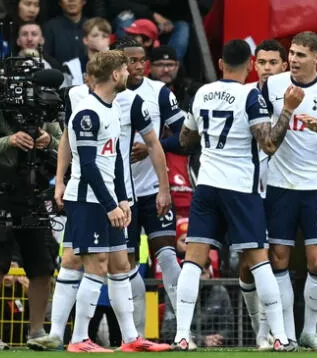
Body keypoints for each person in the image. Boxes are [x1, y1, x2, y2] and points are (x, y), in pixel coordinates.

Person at [172, 39, 297, 352]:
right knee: (258, 260)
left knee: (192, 261)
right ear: (252, 65)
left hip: (207, 186)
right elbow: (268, 144)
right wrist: (288, 112)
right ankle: (280, 337)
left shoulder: (201, 93)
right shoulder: (250, 96)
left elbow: (186, 140)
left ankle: (182, 335)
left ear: (220, 64)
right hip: (240, 189)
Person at [61, 50, 169, 353]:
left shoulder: (112, 108)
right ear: (115, 74)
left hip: (108, 199)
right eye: (125, 69)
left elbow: (117, 161)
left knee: (121, 264)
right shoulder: (87, 113)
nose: (130, 73)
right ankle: (78, 338)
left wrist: (123, 200)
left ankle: (131, 338)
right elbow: (89, 165)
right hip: (89, 200)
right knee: (96, 267)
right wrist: (110, 205)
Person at [259, 31, 317, 352]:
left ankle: (310, 331)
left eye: (301, 54)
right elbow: (262, 134)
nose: (294, 60)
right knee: (278, 259)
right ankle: (284, 334)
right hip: (278, 186)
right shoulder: (272, 86)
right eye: (292, 53)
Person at [0, 67, 62, 350]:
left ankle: (37, 331)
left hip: (33, 191)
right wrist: (9, 140)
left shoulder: (48, 104)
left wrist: (49, 142)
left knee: (42, 262)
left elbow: (64, 148)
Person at [116, 37, 183, 325]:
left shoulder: (159, 92)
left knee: (168, 258)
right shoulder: (106, 96)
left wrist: (155, 147)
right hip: (121, 195)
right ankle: (139, 335)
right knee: (127, 266)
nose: (138, 65)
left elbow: (185, 139)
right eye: (131, 60)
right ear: (118, 63)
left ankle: (183, 329)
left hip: (155, 190)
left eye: (141, 59)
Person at [239, 38, 288, 350]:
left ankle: (293, 330)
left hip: (287, 187)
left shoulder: (295, 95)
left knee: (280, 258)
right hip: (250, 187)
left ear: (284, 65)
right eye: (262, 62)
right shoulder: (243, 96)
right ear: (254, 64)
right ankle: (260, 330)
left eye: (273, 63)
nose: (267, 68)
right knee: (250, 259)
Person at [64, 17, 112, 86]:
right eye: (95, 35)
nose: (100, 39)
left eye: (104, 36)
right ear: (86, 40)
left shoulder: (116, 65)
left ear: (109, 40)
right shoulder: (72, 67)